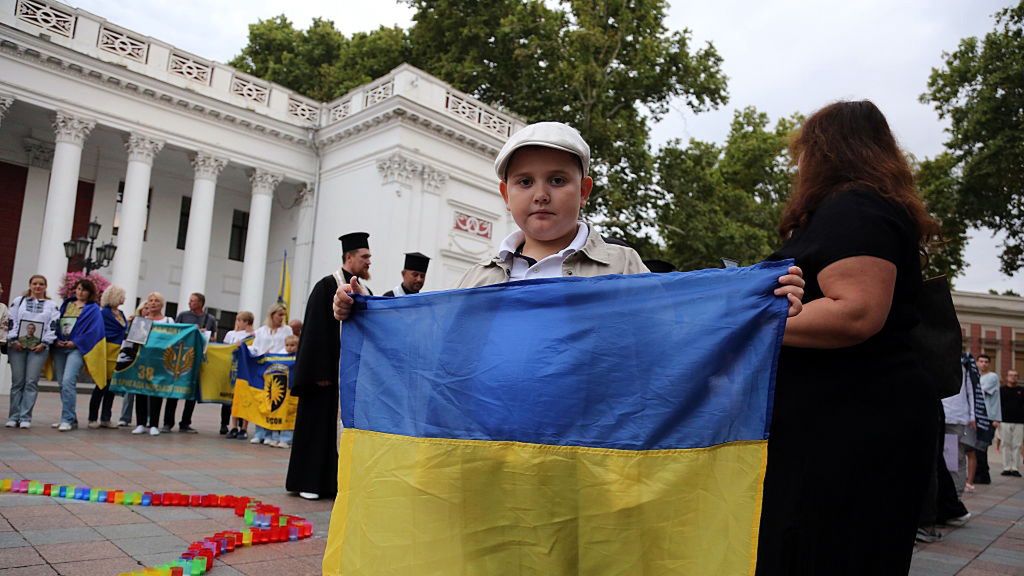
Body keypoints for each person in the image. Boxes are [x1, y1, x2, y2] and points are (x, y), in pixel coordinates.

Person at [755, 101, 941, 576]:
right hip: (851, 422)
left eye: (803, 151)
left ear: (825, 151)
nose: (798, 165)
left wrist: (743, 325)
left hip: (850, 429)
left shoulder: (854, 208)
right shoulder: (862, 208)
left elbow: (855, 313)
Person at [285, 231, 376, 501]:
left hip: (352, 378)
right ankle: (309, 481)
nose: (370, 261)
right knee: (317, 427)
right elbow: (314, 332)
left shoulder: (366, 290)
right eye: (365, 256)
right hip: (324, 377)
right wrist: (320, 374)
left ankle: (333, 483)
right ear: (349, 257)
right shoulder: (326, 286)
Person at [5, 275, 59, 429]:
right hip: (17, 347)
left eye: (41, 284)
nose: (38, 287)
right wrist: (14, 340)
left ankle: (25, 417)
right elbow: (11, 320)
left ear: (45, 286)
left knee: (31, 382)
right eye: (35, 284)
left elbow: (53, 325)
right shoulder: (18, 301)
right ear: (30, 285)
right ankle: (13, 416)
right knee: (17, 382)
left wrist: (44, 342)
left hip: (39, 348)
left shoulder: (51, 305)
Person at [51, 279, 102, 431]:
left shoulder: (93, 309)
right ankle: (70, 418)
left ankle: (67, 419)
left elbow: (94, 331)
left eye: (84, 290)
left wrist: (76, 342)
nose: (80, 292)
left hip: (77, 349)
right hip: (60, 347)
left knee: (68, 381)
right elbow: (56, 323)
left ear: (90, 292)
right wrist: (56, 339)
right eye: (78, 289)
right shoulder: (67, 305)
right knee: (61, 383)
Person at [163, 292, 217, 433]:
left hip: (197, 358)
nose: (189, 303)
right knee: (174, 389)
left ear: (200, 303)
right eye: (190, 301)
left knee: (191, 392)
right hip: (180, 358)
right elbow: (174, 332)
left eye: (192, 301)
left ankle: (185, 423)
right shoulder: (182, 315)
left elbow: (214, 338)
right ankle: (168, 422)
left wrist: (207, 335)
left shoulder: (210, 319)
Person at [131, 292, 174, 436]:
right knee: (141, 391)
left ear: (162, 304)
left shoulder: (168, 321)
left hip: (160, 362)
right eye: (150, 300)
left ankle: (154, 424)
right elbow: (135, 342)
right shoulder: (141, 321)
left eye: (156, 301)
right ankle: (141, 423)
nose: (153, 303)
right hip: (142, 360)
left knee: (157, 392)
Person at [249, 303, 292, 447]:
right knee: (262, 401)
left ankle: (272, 433)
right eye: (279, 315)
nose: (281, 318)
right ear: (272, 315)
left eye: (283, 315)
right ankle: (260, 432)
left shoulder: (287, 330)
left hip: (279, 370)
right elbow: (255, 347)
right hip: (263, 369)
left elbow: (288, 347)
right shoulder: (262, 331)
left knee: (275, 401)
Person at [86, 285, 127, 428]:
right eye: (122, 295)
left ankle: (105, 418)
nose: (124, 298)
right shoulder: (103, 313)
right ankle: (92, 418)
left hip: (118, 352)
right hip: (105, 350)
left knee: (111, 387)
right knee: (100, 385)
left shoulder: (121, 314)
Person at [969, 353, 1001, 485]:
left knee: (981, 447)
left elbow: (980, 391)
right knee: (977, 447)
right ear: (977, 363)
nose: (983, 364)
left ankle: (983, 475)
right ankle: (980, 474)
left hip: (988, 417)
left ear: (989, 364)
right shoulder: (975, 377)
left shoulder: (992, 377)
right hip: (978, 416)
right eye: (981, 361)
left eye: (986, 362)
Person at [223, 311, 256, 439]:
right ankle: (233, 426)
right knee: (234, 399)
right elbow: (225, 350)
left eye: (239, 320)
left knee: (245, 398)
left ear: (246, 322)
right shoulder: (231, 334)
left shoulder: (254, 335)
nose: (237, 323)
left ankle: (244, 428)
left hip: (245, 370)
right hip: (233, 368)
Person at [998, 369, 1023, 477]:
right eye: (1011, 375)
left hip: (1020, 422)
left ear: (1018, 377)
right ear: (1007, 377)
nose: (1013, 377)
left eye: (1015, 375)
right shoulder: (1001, 390)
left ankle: (1015, 468)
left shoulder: (1022, 390)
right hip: (1004, 421)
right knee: (1005, 444)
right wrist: (997, 419)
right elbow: (997, 406)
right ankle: (1006, 467)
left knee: (1017, 445)